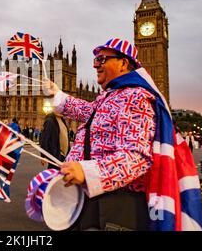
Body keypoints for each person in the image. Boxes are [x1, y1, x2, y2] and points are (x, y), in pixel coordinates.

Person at [44, 38, 156, 231]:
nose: (96, 65)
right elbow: (88, 111)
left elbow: (136, 157)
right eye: (95, 60)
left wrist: (86, 172)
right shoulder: (113, 95)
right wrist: (58, 95)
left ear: (123, 63)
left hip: (112, 204)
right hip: (92, 200)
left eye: (102, 59)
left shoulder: (135, 97)